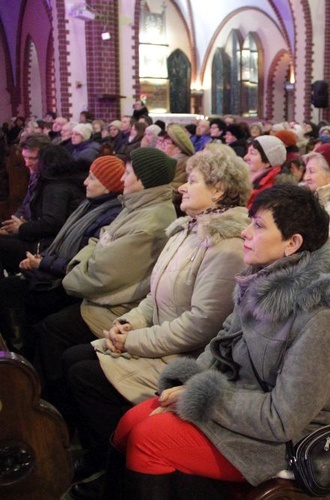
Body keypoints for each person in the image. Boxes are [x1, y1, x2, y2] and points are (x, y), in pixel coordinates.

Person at [106, 185, 330, 497]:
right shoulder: (261, 276)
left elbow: (284, 418)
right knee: (131, 421)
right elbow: (221, 346)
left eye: (259, 226)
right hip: (240, 404)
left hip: (285, 439)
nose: (244, 232)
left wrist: (199, 398)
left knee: (150, 438)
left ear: (292, 243)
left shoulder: (322, 313)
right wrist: (187, 386)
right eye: (250, 221)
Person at [62, 148, 251, 498]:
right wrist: (127, 324)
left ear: (219, 190)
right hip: (157, 341)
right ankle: (101, 456)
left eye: (192, 181)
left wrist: (132, 342)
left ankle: (111, 465)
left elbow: (201, 325)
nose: (181, 188)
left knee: (82, 373)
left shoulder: (227, 245)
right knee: (74, 357)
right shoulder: (185, 230)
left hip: (186, 357)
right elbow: (153, 296)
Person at [35, 148, 177, 423]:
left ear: (144, 180)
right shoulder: (136, 206)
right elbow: (97, 242)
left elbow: (98, 275)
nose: (122, 179)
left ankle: (55, 419)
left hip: (115, 308)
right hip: (102, 297)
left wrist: (74, 269)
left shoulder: (149, 222)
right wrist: (89, 257)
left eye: (127, 173)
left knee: (52, 331)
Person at [0, 156, 124, 355]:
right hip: (57, 269)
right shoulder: (91, 205)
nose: (85, 181)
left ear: (108, 187)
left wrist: (42, 263)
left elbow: (80, 260)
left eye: (92, 178)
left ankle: (20, 357)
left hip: (68, 283)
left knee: (8, 290)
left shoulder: (108, 216)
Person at [0, 137, 87, 275]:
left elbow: (52, 224)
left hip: (48, 245)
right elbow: (26, 206)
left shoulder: (56, 185)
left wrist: (23, 228)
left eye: (33, 158)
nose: (27, 163)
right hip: (37, 235)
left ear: (46, 158)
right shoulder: (44, 178)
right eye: (25, 158)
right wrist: (11, 225)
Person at [244, 135, 287, 208]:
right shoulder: (246, 177)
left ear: (268, 161)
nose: (245, 157)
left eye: (253, 153)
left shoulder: (271, 189)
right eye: (247, 152)